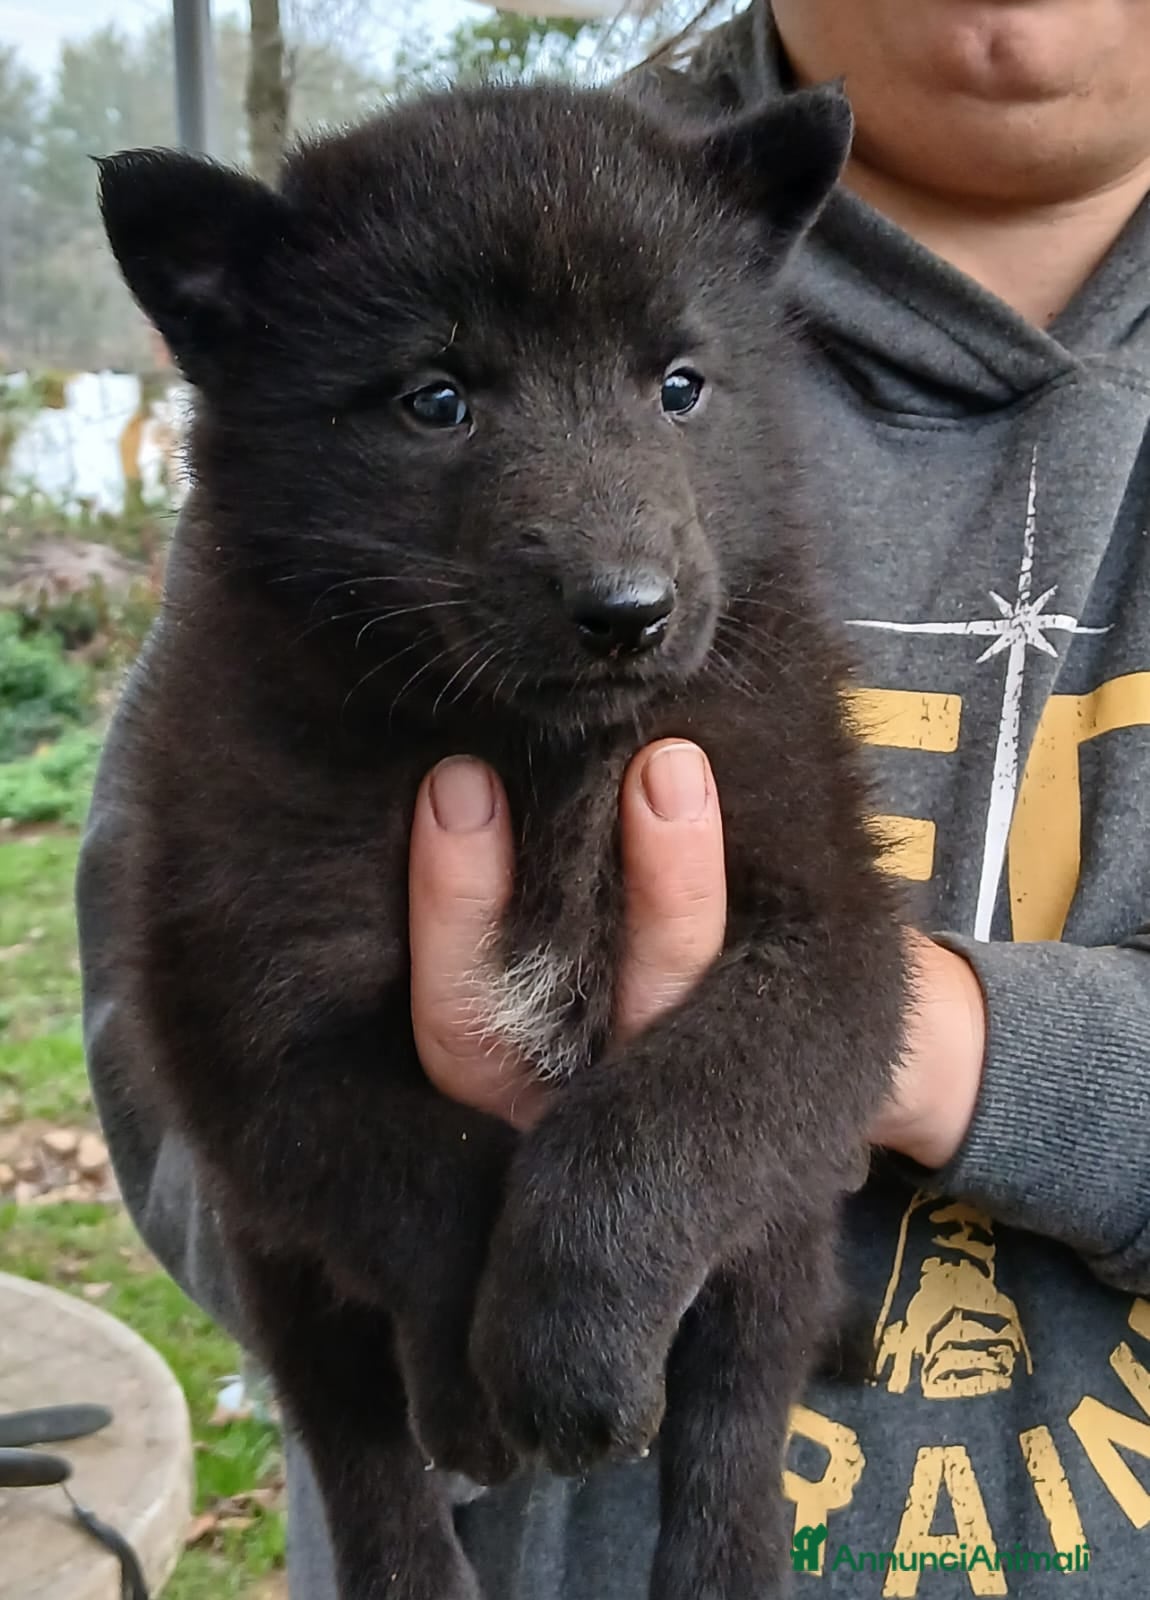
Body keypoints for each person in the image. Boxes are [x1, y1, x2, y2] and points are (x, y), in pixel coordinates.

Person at [77, 0, 1150, 1592]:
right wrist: (446, 1256)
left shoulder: (693, 317)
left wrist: (936, 1061)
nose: (617, 557)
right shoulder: (305, 563)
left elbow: (821, 986)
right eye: (441, 404)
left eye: (673, 385)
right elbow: (192, 1072)